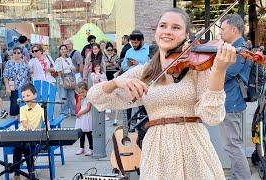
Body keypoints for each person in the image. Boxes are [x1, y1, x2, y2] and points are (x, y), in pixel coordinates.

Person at [87, 8, 236, 179]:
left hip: (193, 147)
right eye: (163, 26)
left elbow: (212, 117)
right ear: (156, 31)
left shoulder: (196, 69)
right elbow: (94, 95)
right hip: (157, 150)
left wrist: (218, 72)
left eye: (176, 27)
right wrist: (115, 82)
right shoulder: (144, 72)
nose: (167, 31)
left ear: (187, 35)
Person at [218, 14, 252, 180]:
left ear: (233, 29)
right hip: (231, 101)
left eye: (223, 29)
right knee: (232, 145)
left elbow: (227, 73)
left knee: (233, 145)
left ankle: (243, 177)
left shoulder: (240, 50)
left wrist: (213, 70)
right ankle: (236, 176)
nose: (220, 33)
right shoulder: (234, 48)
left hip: (231, 102)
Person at [13, 83, 43, 180]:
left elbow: (46, 122)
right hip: (22, 134)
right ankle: (16, 173)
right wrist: (27, 126)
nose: (26, 98)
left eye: (28, 95)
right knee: (17, 148)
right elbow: (24, 123)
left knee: (28, 148)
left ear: (35, 95)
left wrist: (47, 128)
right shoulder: (23, 109)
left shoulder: (41, 108)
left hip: (34, 136)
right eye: (24, 97)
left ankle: (31, 172)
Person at [3, 47, 30, 117]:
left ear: (22, 54)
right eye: (14, 53)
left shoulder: (25, 63)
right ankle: (14, 124)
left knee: (24, 107)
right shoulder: (9, 63)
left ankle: (23, 123)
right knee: (14, 105)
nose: (16, 54)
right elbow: (5, 76)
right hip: (13, 86)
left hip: (24, 88)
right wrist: (7, 87)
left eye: (18, 53)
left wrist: (27, 62)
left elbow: (30, 73)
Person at [54, 45, 76, 116]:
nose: (63, 50)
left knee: (71, 96)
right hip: (63, 77)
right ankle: (64, 112)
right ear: (60, 51)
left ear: (67, 50)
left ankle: (73, 111)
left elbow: (73, 68)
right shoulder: (59, 59)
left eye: (64, 49)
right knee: (63, 96)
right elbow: (58, 70)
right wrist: (61, 80)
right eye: (62, 49)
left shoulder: (69, 58)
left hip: (70, 77)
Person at [74, 81, 93, 156]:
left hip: (87, 116)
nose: (81, 94)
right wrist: (79, 101)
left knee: (88, 133)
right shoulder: (80, 97)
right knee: (81, 133)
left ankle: (91, 148)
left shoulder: (89, 97)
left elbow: (88, 108)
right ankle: (81, 147)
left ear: (86, 90)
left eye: (82, 92)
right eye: (79, 93)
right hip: (81, 116)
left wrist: (80, 113)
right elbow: (78, 108)